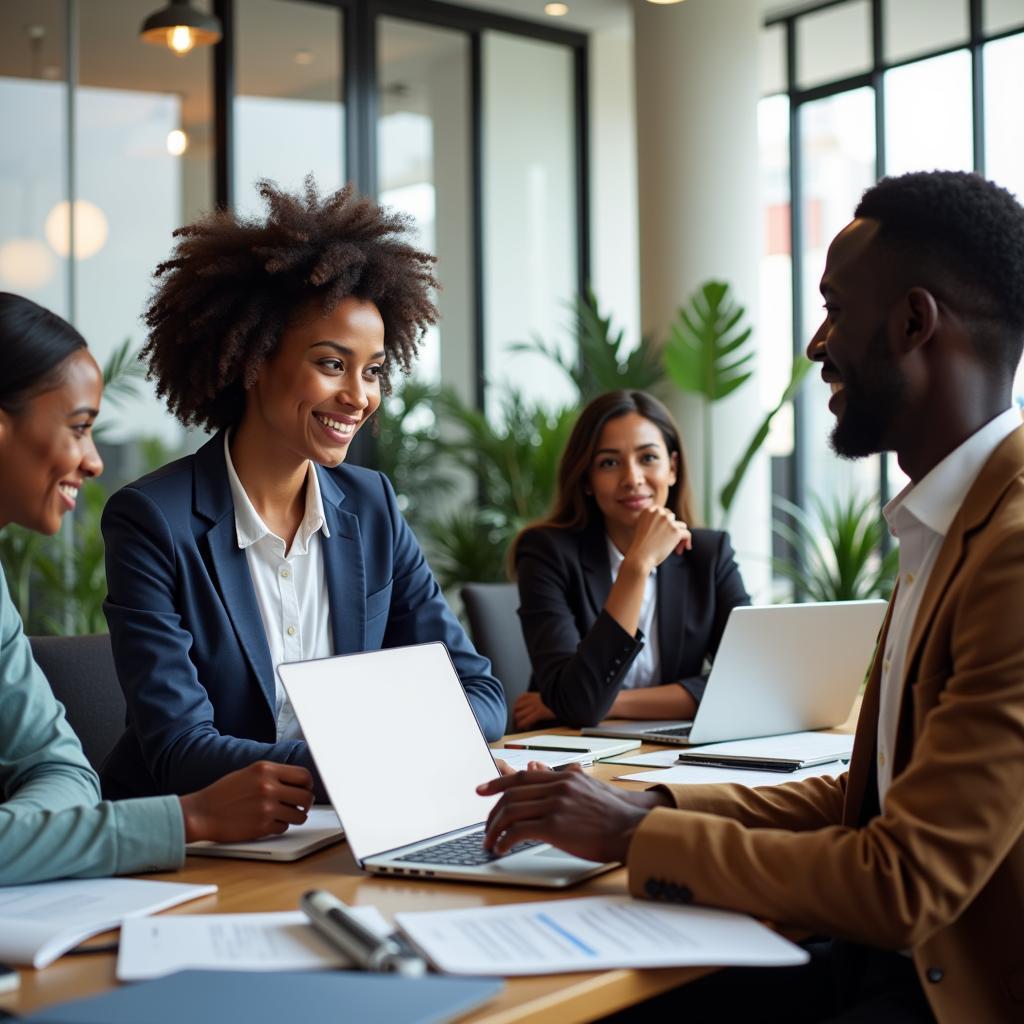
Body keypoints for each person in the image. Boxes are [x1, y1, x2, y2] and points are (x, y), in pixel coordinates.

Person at [479, 170, 1024, 1023]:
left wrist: (629, 836)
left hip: (934, 988)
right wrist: (648, 803)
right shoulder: (947, 525)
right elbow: (860, 796)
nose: (816, 343)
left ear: (914, 322)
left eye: (835, 307)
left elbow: (903, 882)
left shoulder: (1012, 548)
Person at [99, 178, 506, 803]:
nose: (359, 397)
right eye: (331, 364)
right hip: (207, 846)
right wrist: (385, 759)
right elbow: (182, 751)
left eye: (372, 371)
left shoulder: (371, 508)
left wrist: (385, 760)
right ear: (255, 361)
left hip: (346, 821)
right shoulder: (154, 521)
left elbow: (478, 692)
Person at [0, 292, 315, 885]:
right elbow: (174, 752)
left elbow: (61, 767)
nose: (95, 462)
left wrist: (21, 841)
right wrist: (185, 820)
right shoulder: (152, 517)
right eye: (79, 428)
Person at [510, 390, 749, 730]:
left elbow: (749, 681)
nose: (632, 478)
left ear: (673, 468)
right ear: (587, 480)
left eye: (648, 458)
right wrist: (637, 565)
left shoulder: (709, 555)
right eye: (609, 462)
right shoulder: (546, 553)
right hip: (570, 751)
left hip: (670, 749)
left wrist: (615, 703)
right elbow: (580, 705)